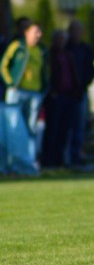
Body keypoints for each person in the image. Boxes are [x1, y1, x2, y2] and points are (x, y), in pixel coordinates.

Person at [1, 21, 47, 175]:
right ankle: (10, 164)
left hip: (35, 94)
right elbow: (3, 65)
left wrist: (44, 88)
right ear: (26, 33)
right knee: (13, 128)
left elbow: (46, 71)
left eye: (40, 32)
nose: (39, 35)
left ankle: (29, 163)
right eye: (36, 32)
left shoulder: (41, 50)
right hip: (18, 92)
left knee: (31, 129)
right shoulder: (18, 46)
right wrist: (11, 84)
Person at [41, 30, 81, 168]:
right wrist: (51, 91)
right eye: (58, 39)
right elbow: (46, 74)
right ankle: (48, 160)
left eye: (63, 39)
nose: (61, 42)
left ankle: (60, 160)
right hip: (55, 97)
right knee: (52, 129)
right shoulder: (49, 55)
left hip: (69, 96)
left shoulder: (68, 54)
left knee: (64, 130)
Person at [65, 20, 94, 166]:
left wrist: (83, 85)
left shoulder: (85, 49)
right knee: (64, 127)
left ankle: (76, 156)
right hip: (64, 94)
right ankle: (63, 158)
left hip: (80, 93)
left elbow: (90, 71)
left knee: (79, 127)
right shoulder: (65, 48)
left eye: (79, 30)